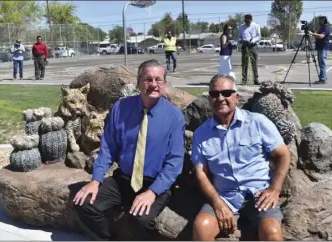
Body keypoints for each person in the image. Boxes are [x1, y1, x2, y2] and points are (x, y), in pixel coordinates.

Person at [72, 59, 186, 241]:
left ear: (164, 84)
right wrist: (96, 180)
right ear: (139, 82)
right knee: (83, 203)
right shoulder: (121, 108)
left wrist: (152, 192)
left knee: (141, 220)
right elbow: (108, 147)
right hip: (123, 179)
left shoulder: (174, 117)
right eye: (148, 79)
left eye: (158, 79)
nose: (153, 84)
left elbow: (174, 163)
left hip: (154, 184)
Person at [191, 74, 290, 241]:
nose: (220, 98)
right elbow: (200, 173)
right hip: (225, 196)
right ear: (209, 99)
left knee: (271, 232)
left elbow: (283, 154)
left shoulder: (258, 122)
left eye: (226, 93)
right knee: (201, 226)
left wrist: (274, 190)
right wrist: (218, 203)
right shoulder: (201, 133)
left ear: (236, 97)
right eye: (215, 94)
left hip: (259, 195)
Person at [238, 14, 261, 85]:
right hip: (244, 46)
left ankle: (255, 79)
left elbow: (259, 36)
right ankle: (244, 79)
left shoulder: (256, 26)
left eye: (248, 21)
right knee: (244, 63)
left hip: (253, 46)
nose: (247, 23)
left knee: (254, 63)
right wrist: (241, 41)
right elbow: (239, 37)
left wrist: (253, 41)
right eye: (246, 21)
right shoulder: (241, 27)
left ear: (251, 20)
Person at [310, 16, 330, 84]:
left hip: (323, 48)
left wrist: (313, 34)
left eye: (320, 20)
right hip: (320, 48)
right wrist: (314, 32)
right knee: (321, 64)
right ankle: (323, 78)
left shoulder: (326, 27)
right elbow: (318, 35)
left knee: (322, 64)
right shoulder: (322, 28)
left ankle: (322, 79)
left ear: (324, 20)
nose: (319, 22)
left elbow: (321, 36)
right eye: (319, 20)